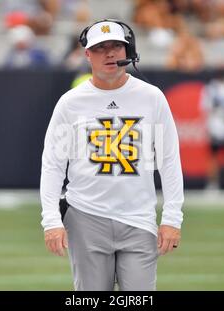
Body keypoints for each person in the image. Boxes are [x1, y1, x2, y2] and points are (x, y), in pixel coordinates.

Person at [40, 19, 184, 291]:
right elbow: (53, 165)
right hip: (86, 216)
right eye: (100, 47)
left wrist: (172, 218)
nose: (110, 53)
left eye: (116, 46)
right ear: (87, 54)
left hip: (138, 217)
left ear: (128, 50)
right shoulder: (70, 103)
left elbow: (169, 160)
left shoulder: (151, 97)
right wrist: (51, 220)